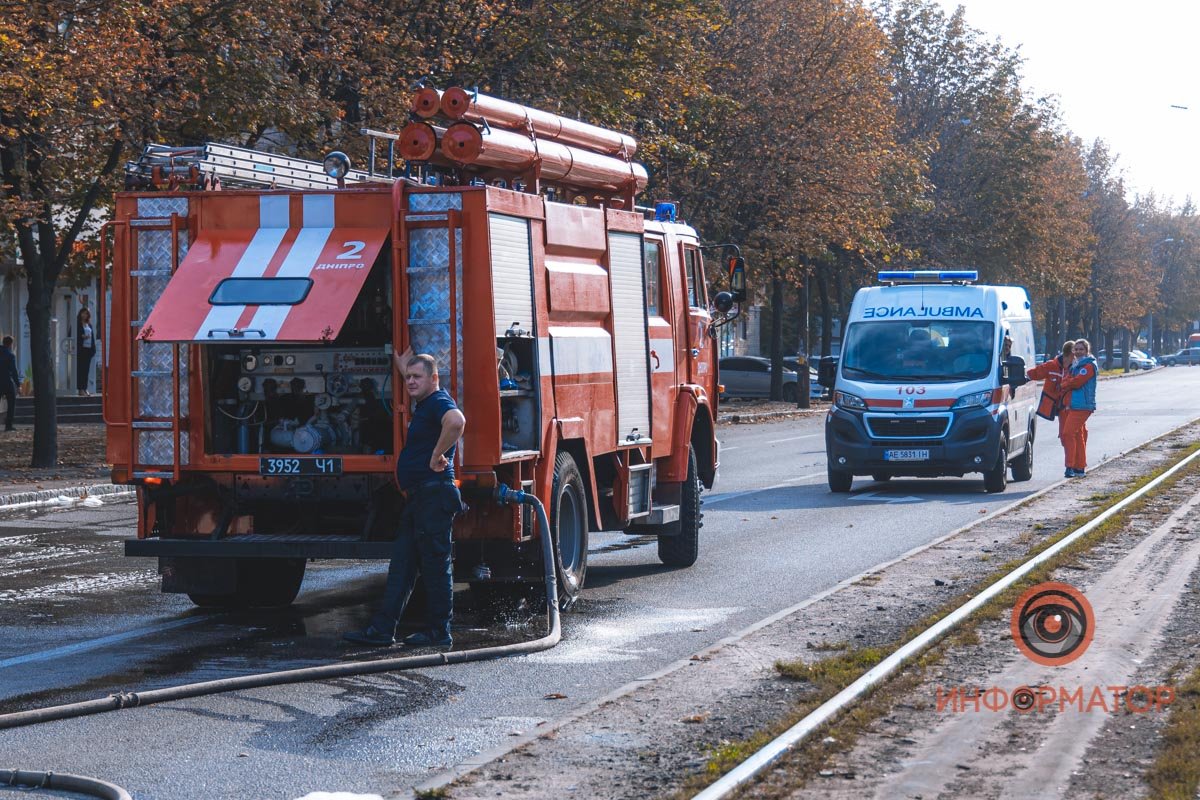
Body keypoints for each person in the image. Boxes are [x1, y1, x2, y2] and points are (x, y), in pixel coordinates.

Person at [344, 349, 466, 648]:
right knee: (402, 565)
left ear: (434, 379)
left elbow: (456, 421)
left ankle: (439, 633)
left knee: (435, 566)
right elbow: (418, 379)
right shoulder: (425, 401)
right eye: (407, 377)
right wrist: (404, 367)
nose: (410, 381)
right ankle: (382, 630)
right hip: (419, 498)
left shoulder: (438, 401)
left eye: (416, 377)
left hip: (434, 494)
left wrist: (437, 455)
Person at [1058, 339, 1098, 478]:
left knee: (1067, 433)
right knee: (1077, 435)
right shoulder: (1076, 365)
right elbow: (1067, 380)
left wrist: (1065, 384)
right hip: (1074, 405)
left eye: (1081, 349)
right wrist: (1067, 382)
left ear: (1087, 351)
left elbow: (1076, 382)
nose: (1078, 352)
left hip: (1083, 405)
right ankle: (1079, 468)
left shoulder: (1088, 366)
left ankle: (1070, 466)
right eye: (1076, 349)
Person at [1026, 340, 1075, 440]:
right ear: (1071, 355)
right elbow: (1033, 373)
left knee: (1072, 434)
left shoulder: (1075, 368)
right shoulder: (1052, 366)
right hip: (1060, 407)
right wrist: (1022, 377)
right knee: (1065, 435)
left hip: (1072, 406)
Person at [76, 307, 97, 396]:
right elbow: (71, 334)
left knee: (86, 370)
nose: (85, 315)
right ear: (80, 314)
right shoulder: (77, 324)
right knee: (80, 370)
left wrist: (93, 349)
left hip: (88, 350)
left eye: (86, 313)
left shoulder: (89, 325)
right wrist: (82, 336)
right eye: (83, 313)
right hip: (80, 350)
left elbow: (92, 337)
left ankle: (84, 388)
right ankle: (80, 389)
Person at [1, 335, 18, 431]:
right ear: (10, 344)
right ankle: (8, 425)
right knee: (11, 403)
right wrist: (18, 384)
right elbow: (14, 371)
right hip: (7, 382)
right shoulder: (10, 355)